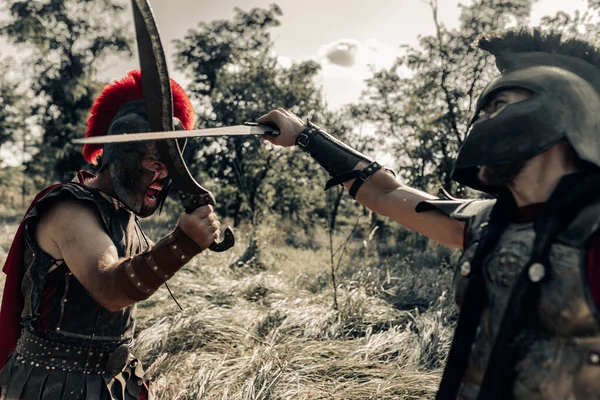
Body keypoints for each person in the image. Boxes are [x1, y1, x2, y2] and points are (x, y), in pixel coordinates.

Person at [258, 30, 600, 400]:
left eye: (497, 105)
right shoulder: (488, 225)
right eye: (483, 109)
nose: (483, 119)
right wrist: (306, 135)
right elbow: (386, 191)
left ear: (559, 106)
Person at [0, 70, 221, 399]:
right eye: (153, 162)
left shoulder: (124, 216)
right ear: (121, 156)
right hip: (52, 386)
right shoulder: (70, 209)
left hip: (115, 385)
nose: (162, 176)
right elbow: (110, 289)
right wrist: (181, 244)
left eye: (170, 167)